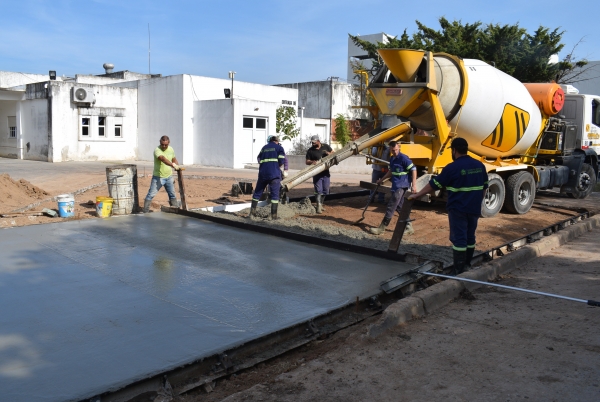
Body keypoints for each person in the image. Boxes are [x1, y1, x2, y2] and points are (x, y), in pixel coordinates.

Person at [408, 137, 488, 275]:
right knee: (470, 237)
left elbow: (434, 185)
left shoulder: (452, 168)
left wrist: (417, 194)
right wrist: (477, 202)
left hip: (458, 209)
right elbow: (484, 188)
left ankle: (458, 270)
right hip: (474, 208)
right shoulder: (479, 165)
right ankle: (467, 265)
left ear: (454, 150)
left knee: (459, 239)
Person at [369, 141, 417, 235]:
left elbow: (414, 169)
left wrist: (414, 184)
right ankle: (409, 227)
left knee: (391, 205)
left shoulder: (403, 158)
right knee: (400, 207)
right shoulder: (392, 159)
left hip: (402, 185)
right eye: (392, 150)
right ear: (390, 150)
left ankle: (381, 229)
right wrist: (381, 180)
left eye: (396, 150)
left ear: (398, 148)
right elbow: (390, 171)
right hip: (395, 185)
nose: (394, 152)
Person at [249, 135, 286, 219]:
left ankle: (252, 213)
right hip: (274, 174)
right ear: (277, 141)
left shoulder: (264, 148)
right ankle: (273, 215)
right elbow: (281, 161)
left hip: (263, 174)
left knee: (257, 193)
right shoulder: (279, 148)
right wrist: (275, 166)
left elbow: (259, 159)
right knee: (274, 195)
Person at [143, 135, 180, 213]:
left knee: (172, 194)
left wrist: (176, 164)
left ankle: (175, 210)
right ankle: (145, 211)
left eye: (166, 145)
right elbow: (163, 159)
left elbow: (174, 159)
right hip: (158, 177)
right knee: (151, 194)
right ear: (160, 142)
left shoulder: (171, 149)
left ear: (168, 143)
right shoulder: (157, 150)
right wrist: (172, 165)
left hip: (169, 177)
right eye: (162, 144)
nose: (164, 146)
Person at [306, 135, 334, 214]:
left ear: (318, 141)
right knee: (318, 190)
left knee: (325, 190)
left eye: (314, 143)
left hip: (326, 172)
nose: (312, 144)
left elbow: (333, 153)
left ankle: (321, 204)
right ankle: (318, 206)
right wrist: (312, 162)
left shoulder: (326, 147)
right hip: (317, 173)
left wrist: (329, 154)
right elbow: (307, 161)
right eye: (312, 143)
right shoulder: (310, 150)